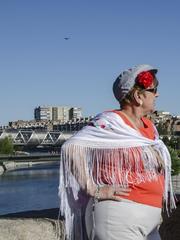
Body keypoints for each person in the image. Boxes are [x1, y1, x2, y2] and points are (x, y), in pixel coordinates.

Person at [59, 64, 176, 240]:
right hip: (117, 219)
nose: (157, 94)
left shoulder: (149, 127)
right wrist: (93, 189)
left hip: (150, 222)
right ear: (138, 96)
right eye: (154, 90)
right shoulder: (111, 122)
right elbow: (70, 148)